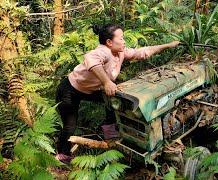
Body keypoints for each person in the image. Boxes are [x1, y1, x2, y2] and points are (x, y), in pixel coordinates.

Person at [55, 23, 180, 163]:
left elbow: (142, 52)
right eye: (121, 38)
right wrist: (106, 82)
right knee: (70, 124)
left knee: (113, 103)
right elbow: (90, 59)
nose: (124, 41)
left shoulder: (120, 52)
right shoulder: (103, 51)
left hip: (90, 89)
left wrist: (167, 45)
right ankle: (63, 154)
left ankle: (110, 135)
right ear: (109, 42)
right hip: (70, 89)